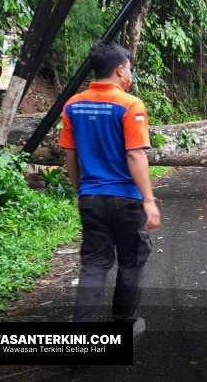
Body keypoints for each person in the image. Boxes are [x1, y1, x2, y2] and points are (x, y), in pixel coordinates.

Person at [58, 40, 160, 338]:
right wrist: (149, 200)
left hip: (91, 197)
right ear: (120, 70)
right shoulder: (130, 104)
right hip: (126, 199)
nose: (131, 75)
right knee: (132, 260)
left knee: (94, 264)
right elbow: (135, 154)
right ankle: (124, 322)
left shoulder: (73, 104)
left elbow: (70, 155)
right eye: (130, 69)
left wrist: (81, 193)